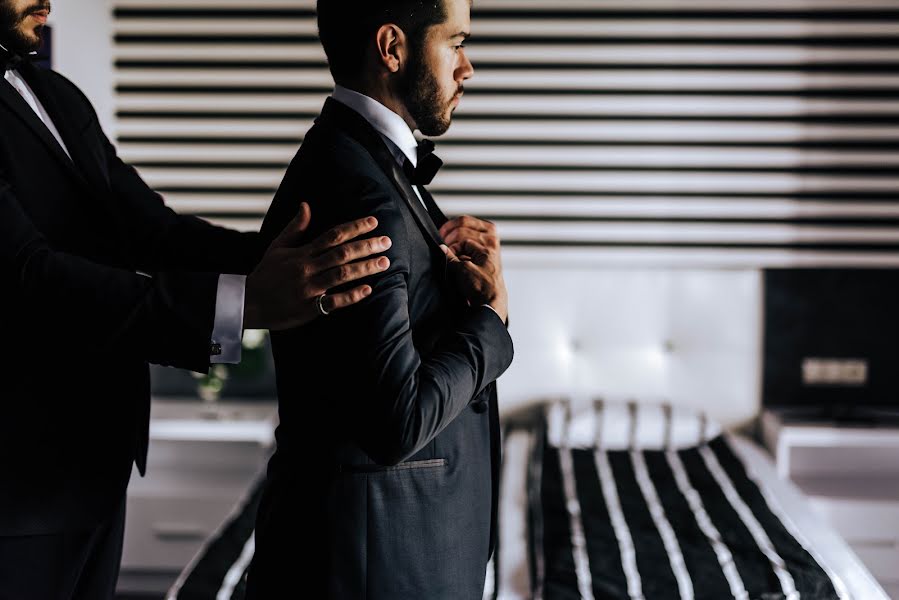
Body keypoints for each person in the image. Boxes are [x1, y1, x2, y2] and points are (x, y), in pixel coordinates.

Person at [0, 1, 393, 597]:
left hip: (92, 468)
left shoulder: (50, 91)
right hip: (14, 484)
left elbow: (150, 229)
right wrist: (242, 305)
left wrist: (293, 257)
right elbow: (32, 277)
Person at [246, 0, 514, 597]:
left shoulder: (361, 164)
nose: (467, 68)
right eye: (457, 42)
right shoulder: (356, 185)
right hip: (374, 566)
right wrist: (490, 323)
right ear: (393, 48)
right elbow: (398, 419)